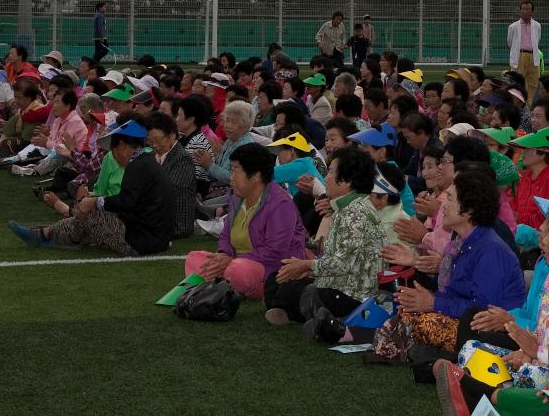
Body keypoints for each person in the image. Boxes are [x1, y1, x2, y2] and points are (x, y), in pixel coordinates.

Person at [443, 202, 549, 414]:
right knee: (471, 349)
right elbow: (541, 330)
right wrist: (524, 351)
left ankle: (477, 394)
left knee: (531, 375)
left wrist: (537, 352)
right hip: (537, 360)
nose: (542, 240)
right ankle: (487, 396)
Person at [390, 169, 527, 354]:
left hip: (493, 331)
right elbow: (455, 294)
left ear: (468, 210)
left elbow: (481, 311)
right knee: (405, 313)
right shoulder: (462, 240)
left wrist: (432, 303)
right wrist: (426, 299)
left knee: (420, 323)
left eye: (450, 199)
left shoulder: (490, 250)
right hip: (466, 320)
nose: (443, 205)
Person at [8, 120, 176, 256]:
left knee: (89, 213)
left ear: (123, 145)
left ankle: (60, 237)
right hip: (154, 238)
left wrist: (95, 202)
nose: (116, 158)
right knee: (89, 217)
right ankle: (44, 233)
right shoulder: (147, 161)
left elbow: (126, 201)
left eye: (115, 151)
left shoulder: (137, 166)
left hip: (142, 242)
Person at [264, 146, 385, 332]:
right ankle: (303, 313)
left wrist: (307, 266)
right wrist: (309, 270)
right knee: (278, 278)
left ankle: (321, 318)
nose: (326, 178)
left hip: (351, 296)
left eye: (330, 172)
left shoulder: (355, 214)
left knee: (288, 289)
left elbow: (341, 264)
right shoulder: (349, 208)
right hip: (340, 285)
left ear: (346, 181)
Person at [184, 142, 308, 300]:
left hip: (270, 267)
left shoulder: (280, 204)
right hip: (237, 262)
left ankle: (262, 290)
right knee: (194, 258)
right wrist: (223, 255)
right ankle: (227, 282)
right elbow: (225, 236)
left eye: (236, 171)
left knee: (237, 271)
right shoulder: (237, 198)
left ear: (255, 176)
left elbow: (275, 251)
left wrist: (231, 261)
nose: (231, 177)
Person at [143, 111, 197, 238]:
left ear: (172, 135)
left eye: (157, 140)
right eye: (150, 141)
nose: (154, 145)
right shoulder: (152, 155)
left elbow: (167, 191)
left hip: (175, 224)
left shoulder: (183, 159)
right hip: (154, 218)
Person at [510, 127, 549, 228]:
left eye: (528, 149)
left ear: (543, 153)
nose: (523, 153)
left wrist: (521, 222)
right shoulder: (526, 176)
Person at [507, 0, 543, 99]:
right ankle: (518, 102)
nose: (525, 11)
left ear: (532, 11)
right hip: (519, 55)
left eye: (527, 9)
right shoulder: (513, 26)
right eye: (523, 9)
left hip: (533, 55)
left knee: (534, 83)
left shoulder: (537, 26)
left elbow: (537, 40)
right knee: (518, 81)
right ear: (520, 11)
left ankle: (531, 106)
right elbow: (510, 42)